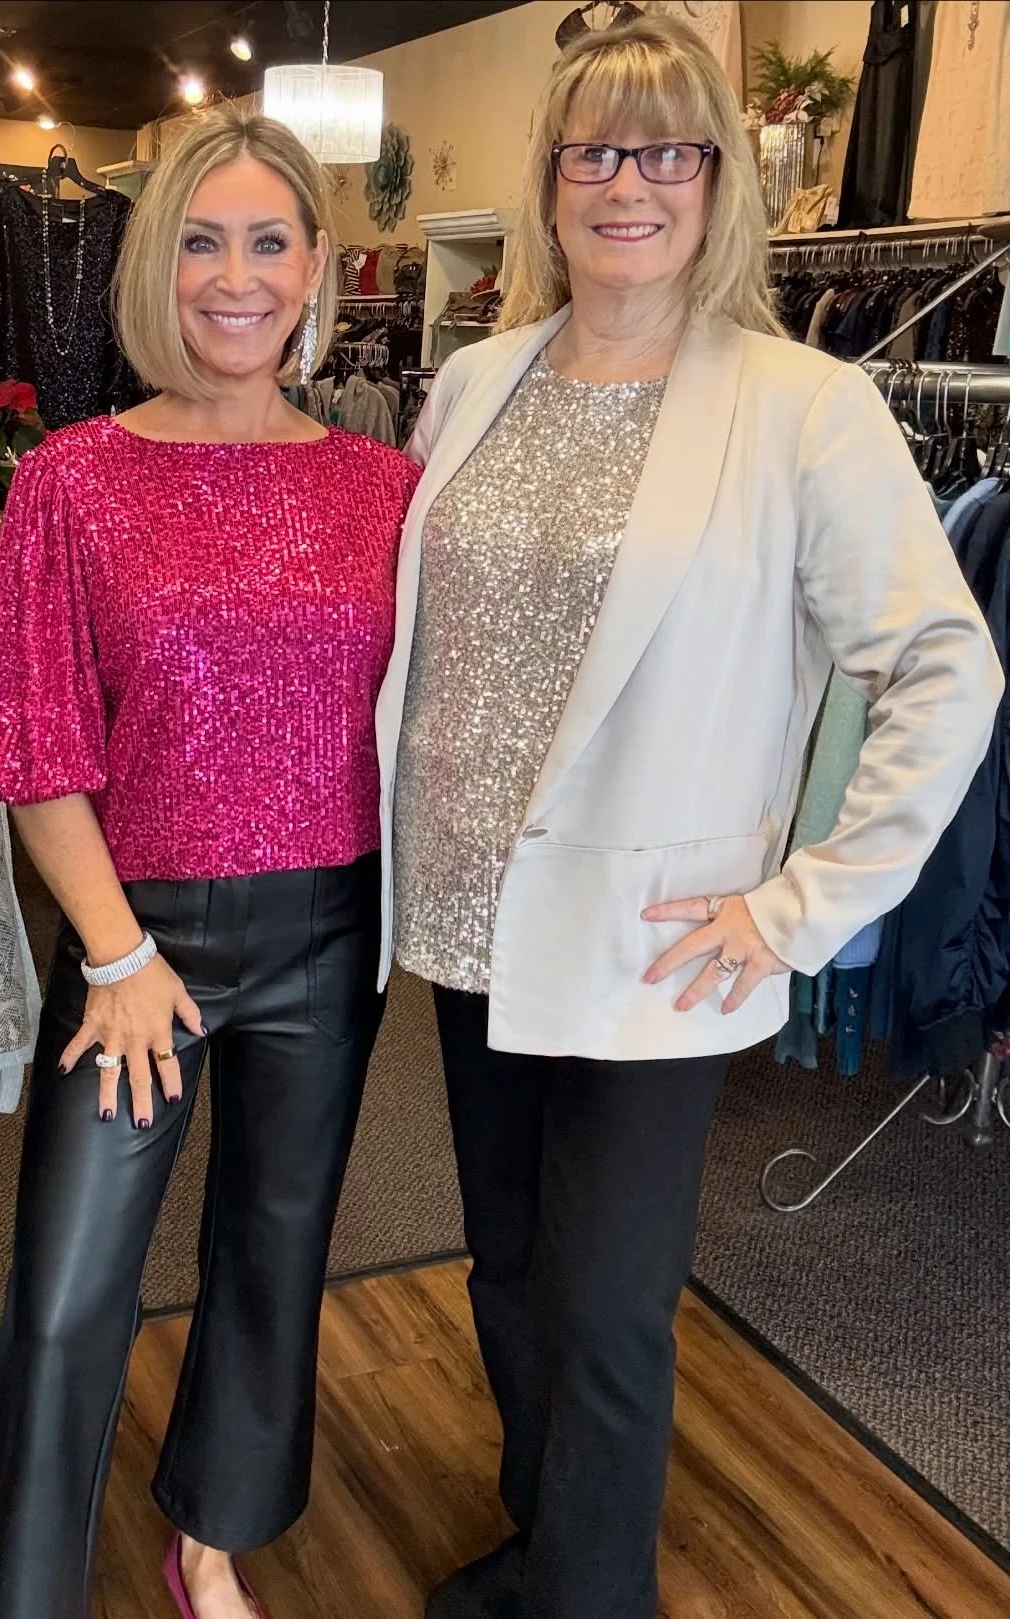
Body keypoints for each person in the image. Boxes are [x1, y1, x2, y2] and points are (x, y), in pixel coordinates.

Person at [378, 16, 1002, 1619]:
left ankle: (592, 1596)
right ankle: (545, 1544)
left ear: (719, 182)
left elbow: (946, 666)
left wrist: (808, 903)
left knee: (605, 1306)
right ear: (549, 178)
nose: (628, 183)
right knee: (508, 1265)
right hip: (468, 917)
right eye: (594, 148)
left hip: (659, 934)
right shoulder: (476, 378)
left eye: (667, 149)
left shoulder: (803, 406)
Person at [0, 107, 418, 1619]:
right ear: (157, 265)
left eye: (269, 243)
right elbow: (31, 744)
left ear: (315, 267)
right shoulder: (75, 479)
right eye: (203, 243)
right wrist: (119, 951)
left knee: (275, 1256)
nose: (236, 278)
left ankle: (213, 1535)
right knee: (69, 1286)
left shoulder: (386, 487)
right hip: (131, 937)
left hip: (328, 930)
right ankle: (30, 1591)